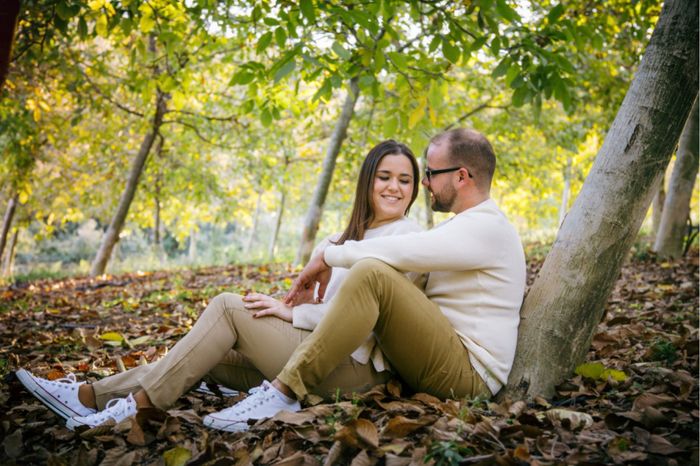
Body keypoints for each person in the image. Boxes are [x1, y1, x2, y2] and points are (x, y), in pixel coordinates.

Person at [16, 140, 425, 431]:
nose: (393, 188)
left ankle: (135, 409)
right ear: (366, 183)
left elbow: (365, 319)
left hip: (351, 371)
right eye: (384, 177)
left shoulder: (408, 241)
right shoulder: (339, 240)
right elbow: (317, 305)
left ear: (413, 190)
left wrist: (291, 312)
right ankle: (88, 396)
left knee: (229, 307)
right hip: (310, 351)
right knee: (203, 352)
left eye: (404, 181)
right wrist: (293, 311)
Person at [213, 127, 526, 429]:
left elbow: (403, 250)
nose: (426, 183)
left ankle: (284, 391)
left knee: (373, 273)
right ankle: (240, 382)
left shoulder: (488, 227)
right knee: (372, 272)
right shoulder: (461, 227)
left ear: (461, 176)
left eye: (430, 173)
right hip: (441, 355)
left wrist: (329, 256)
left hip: (466, 375)